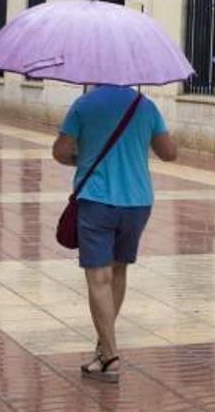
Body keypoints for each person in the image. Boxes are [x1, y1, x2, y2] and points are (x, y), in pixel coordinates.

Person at [51, 85, 178, 383]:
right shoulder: (144, 106)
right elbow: (169, 153)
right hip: (137, 202)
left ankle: (110, 356)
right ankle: (102, 349)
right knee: (118, 272)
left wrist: (81, 157)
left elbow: (60, 151)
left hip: (97, 200)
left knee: (98, 278)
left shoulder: (84, 105)